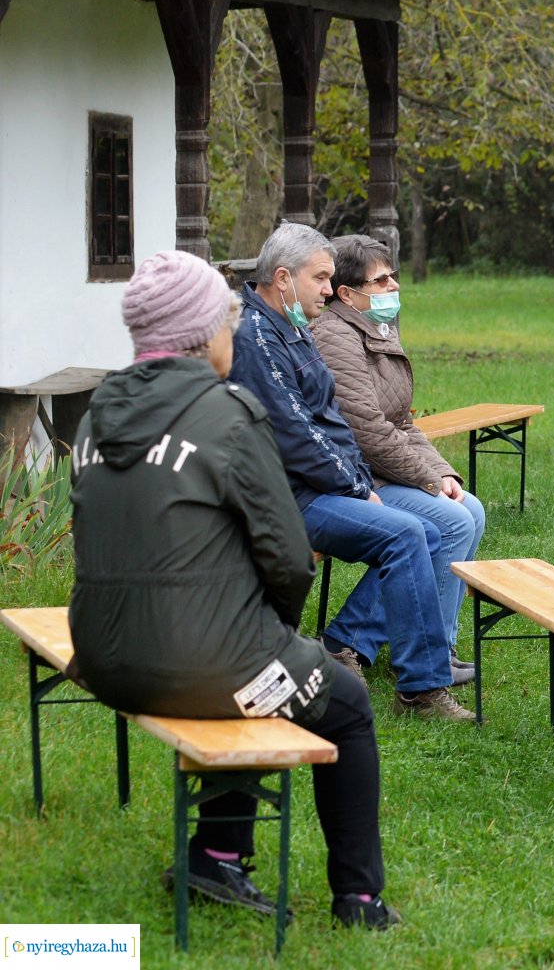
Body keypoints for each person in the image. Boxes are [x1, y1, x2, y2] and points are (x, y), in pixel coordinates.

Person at [68, 250, 397, 929]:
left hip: (100, 660)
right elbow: (287, 557)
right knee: (344, 701)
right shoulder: (228, 414)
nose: (234, 336)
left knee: (240, 660)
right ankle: (359, 901)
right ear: (199, 336)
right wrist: (273, 629)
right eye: (227, 324)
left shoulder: (99, 411)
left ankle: (217, 853)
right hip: (199, 665)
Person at [226, 222, 473, 722]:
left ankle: (366, 649)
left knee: (427, 528)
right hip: (286, 497)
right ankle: (422, 691)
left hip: (318, 485)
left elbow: (334, 421)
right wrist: (359, 487)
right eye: (320, 278)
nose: (326, 289)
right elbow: (297, 435)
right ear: (282, 277)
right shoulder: (257, 339)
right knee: (408, 534)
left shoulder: (289, 326)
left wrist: (361, 480)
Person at [312, 234, 485, 677]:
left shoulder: (377, 328)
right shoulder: (334, 336)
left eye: (394, 277)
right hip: (351, 479)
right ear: (347, 294)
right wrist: (427, 481)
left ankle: (437, 645)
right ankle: (348, 640)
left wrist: (442, 473)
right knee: (450, 522)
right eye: (381, 280)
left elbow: (403, 422)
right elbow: (366, 429)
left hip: (382, 468)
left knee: (472, 509)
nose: (393, 287)